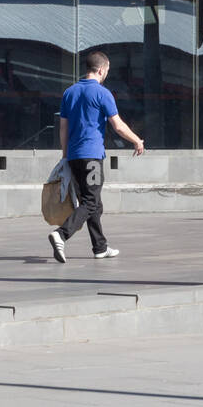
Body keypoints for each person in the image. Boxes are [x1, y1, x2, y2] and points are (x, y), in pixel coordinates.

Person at [48, 50, 144, 263]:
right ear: (101, 70)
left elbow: (63, 128)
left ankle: (100, 247)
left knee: (93, 203)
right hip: (92, 157)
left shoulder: (69, 92)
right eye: (107, 71)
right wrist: (137, 140)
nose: (106, 74)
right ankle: (61, 234)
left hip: (73, 156)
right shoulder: (102, 93)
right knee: (91, 202)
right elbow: (118, 126)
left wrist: (65, 155)